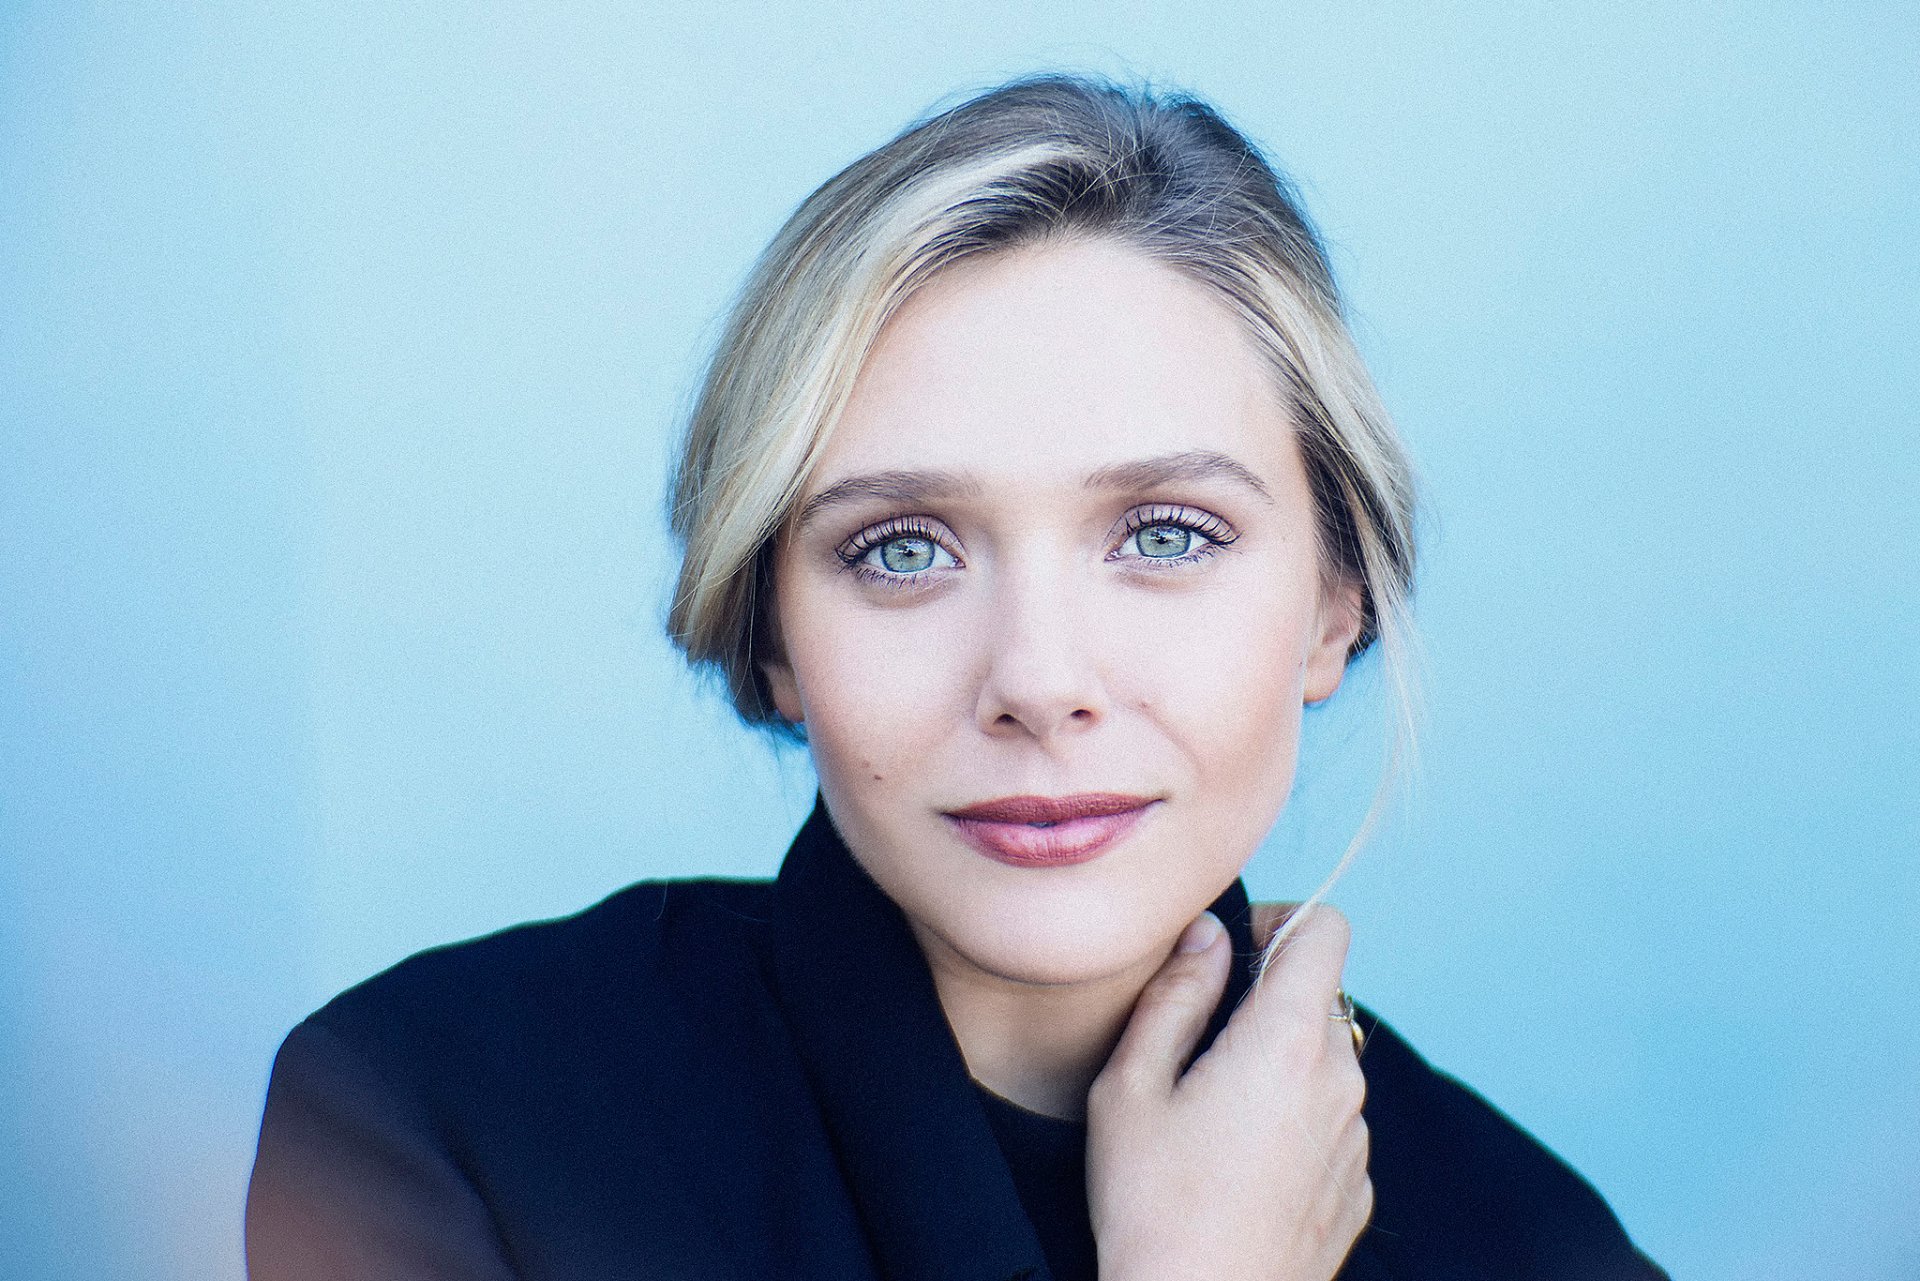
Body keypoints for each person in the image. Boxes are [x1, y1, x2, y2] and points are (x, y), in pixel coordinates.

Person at [245, 74, 1668, 1280]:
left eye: (1167, 533)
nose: (1039, 680)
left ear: (1333, 610)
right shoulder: (440, 1121)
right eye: (904, 549)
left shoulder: (1534, 1246)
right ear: (773, 634)